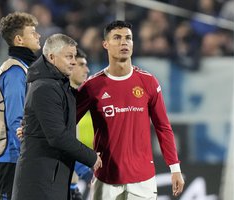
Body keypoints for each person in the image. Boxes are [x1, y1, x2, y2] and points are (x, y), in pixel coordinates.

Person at [76, 20, 185, 199]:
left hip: (142, 179)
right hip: (106, 177)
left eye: (128, 38)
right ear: (105, 44)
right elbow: (65, 122)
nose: (124, 42)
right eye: (117, 38)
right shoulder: (92, 86)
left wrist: (175, 168)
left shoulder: (148, 82)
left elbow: (163, 127)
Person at [11, 33, 102, 200]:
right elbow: (57, 136)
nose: (74, 62)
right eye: (69, 57)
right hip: (39, 184)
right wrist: (91, 157)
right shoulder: (45, 88)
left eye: (74, 56)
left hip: (50, 180)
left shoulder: (58, 86)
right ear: (52, 57)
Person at [0, 12, 41, 200]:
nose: (38, 35)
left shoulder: (22, 68)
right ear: (19, 39)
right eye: (32, 32)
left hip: (11, 154)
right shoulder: (15, 71)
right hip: (10, 155)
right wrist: (26, 158)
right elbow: (16, 120)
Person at [69, 48, 93, 200]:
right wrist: (86, 172)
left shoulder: (79, 99)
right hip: (58, 186)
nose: (87, 69)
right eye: (81, 64)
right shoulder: (62, 100)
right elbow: (61, 141)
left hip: (72, 186)